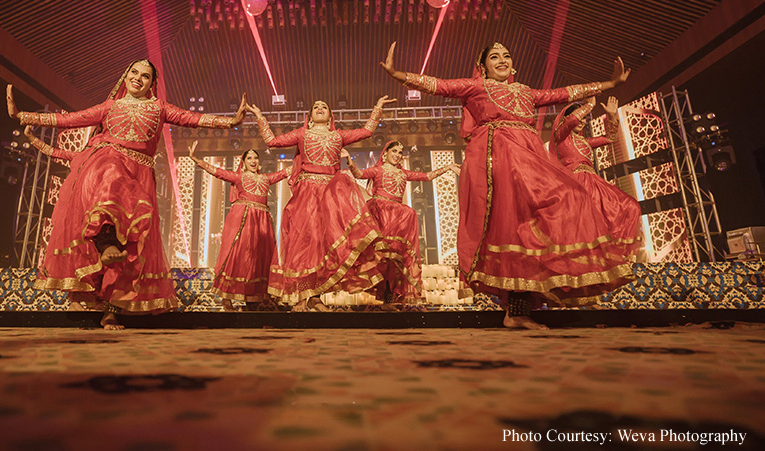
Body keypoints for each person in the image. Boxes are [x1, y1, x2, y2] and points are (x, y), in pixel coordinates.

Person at [381, 42, 636, 329]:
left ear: (513, 65)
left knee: (567, 198)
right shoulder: (475, 87)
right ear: (483, 66)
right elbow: (438, 85)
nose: (501, 60)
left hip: (530, 157)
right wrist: (398, 74)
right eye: (494, 57)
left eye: (506, 56)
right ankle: (516, 311)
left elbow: (565, 93)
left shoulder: (526, 91)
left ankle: (536, 292)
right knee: (513, 226)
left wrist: (610, 83)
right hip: (498, 156)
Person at [7, 60, 246, 329]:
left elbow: (192, 118)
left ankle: (112, 310)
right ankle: (105, 243)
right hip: (106, 165)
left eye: (145, 76)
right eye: (134, 72)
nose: (138, 78)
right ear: (125, 75)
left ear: (152, 83)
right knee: (110, 173)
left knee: (133, 246)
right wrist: (23, 116)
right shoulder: (110, 107)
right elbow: (70, 119)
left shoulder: (159, 109)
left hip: (140, 176)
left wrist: (231, 122)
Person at [246, 97, 396, 311]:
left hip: (332, 195)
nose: (319, 108)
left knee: (326, 245)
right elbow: (272, 141)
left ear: (330, 117)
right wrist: (260, 118)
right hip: (307, 192)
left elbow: (366, 132)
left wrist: (378, 108)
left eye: (324, 107)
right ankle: (300, 297)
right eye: (315, 106)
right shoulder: (301, 134)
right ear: (309, 116)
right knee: (304, 243)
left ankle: (316, 297)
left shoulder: (338, 136)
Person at [344, 141, 460, 305]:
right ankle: (383, 293)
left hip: (398, 217)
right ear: (385, 154)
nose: (397, 155)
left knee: (395, 260)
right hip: (381, 213)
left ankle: (389, 298)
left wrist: (447, 168)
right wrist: (349, 161)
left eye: (400, 152)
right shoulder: (377, 170)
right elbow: (358, 174)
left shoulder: (403, 173)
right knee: (381, 258)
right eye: (395, 151)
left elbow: (426, 176)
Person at [187, 141, 289, 311]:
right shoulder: (239, 177)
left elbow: (286, 172)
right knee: (238, 256)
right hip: (243, 219)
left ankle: (253, 298)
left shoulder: (265, 178)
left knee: (258, 259)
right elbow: (217, 172)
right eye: (249, 157)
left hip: (262, 223)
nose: (253, 160)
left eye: (256, 157)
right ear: (243, 162)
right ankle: (226, 298)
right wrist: (195, 159)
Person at [551, 96, 641, 244]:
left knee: (630, 206)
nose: (582, 121)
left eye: (585, 118)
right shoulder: (560, 137)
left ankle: (617, 252)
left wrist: (612, 115)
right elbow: (572, 120)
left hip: (595, 185)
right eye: (581, 116)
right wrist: (589, 106)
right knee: (584, 223)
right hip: (575, 185)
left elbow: (610, 137)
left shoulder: (585, 142)